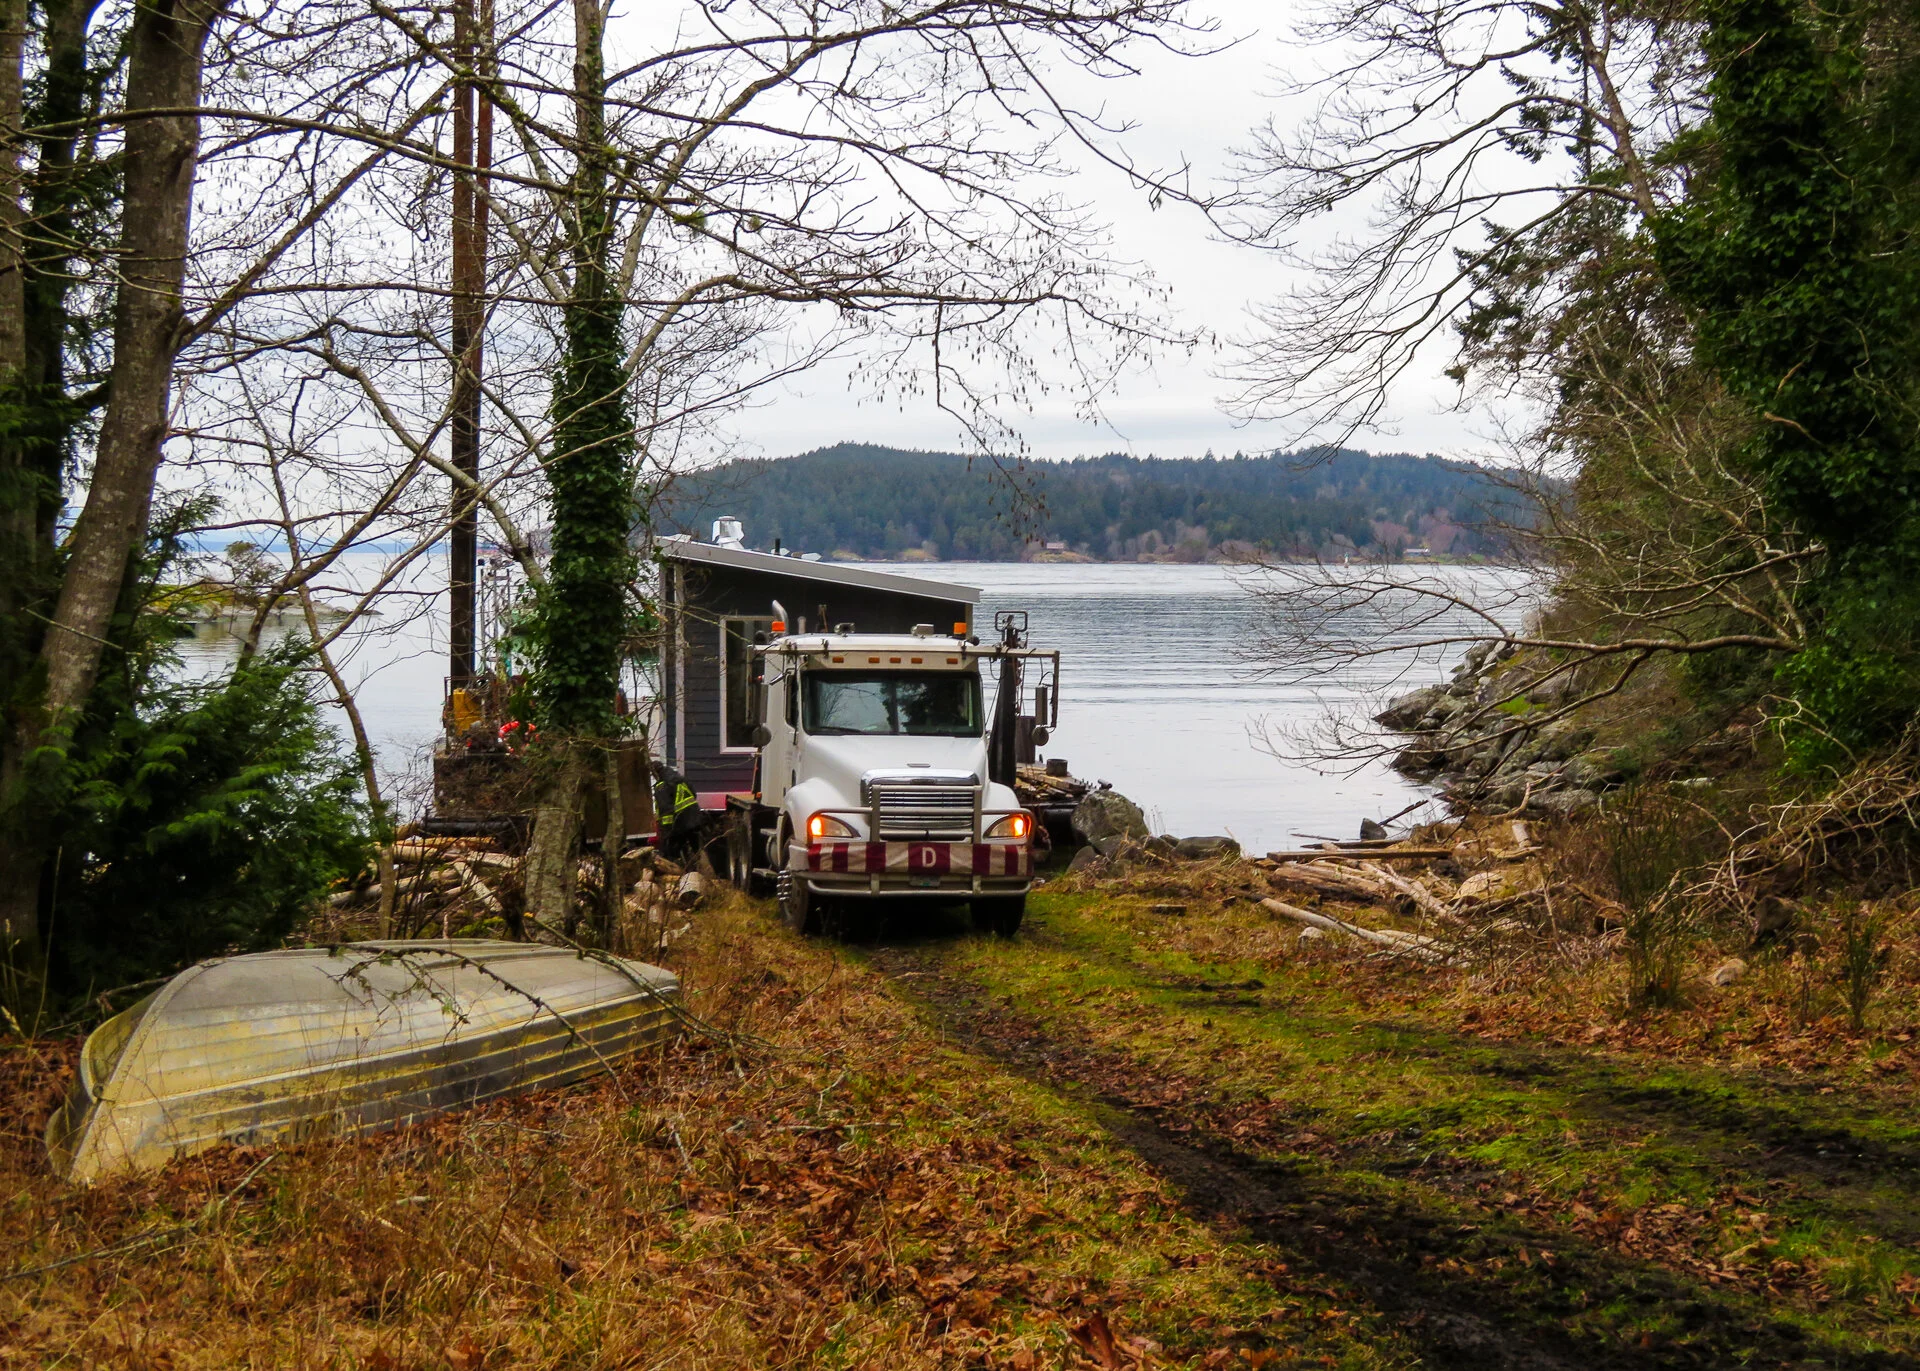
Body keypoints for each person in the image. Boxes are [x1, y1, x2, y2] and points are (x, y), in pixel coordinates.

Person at [653, 764, 701, 864]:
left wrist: (666, 831)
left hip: (680, 822)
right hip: (695, 817)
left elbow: (666, 810)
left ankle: (678, 869)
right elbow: (693, 794)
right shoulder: (681, 779)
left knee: (671, 852)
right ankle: (696, 868)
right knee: (696, 850)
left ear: (656, 774)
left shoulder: (661, 786)